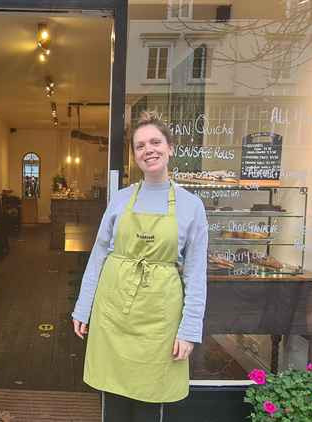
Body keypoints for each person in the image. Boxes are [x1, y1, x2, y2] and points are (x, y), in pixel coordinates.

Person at [71, 111, 208, 421]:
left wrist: (189, 330)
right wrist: (83, 307)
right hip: (112, 314)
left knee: (150, 403)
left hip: (159, 322)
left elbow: (196, 275)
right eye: (140, 145)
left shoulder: (191, 206)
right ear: (134, 155)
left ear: (170, 147)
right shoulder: (120, 200)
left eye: (156, 142)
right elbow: (98, 256)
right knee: (114, 405)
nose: (149, 150)